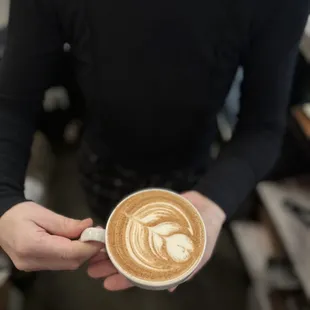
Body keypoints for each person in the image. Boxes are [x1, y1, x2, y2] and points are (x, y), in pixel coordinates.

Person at [0, 0, 308, 292]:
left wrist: (215, 202)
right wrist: (5, 199)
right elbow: (12, 103)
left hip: (196, 170)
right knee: (109, 247)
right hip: (103, 164)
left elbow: (263, 127)